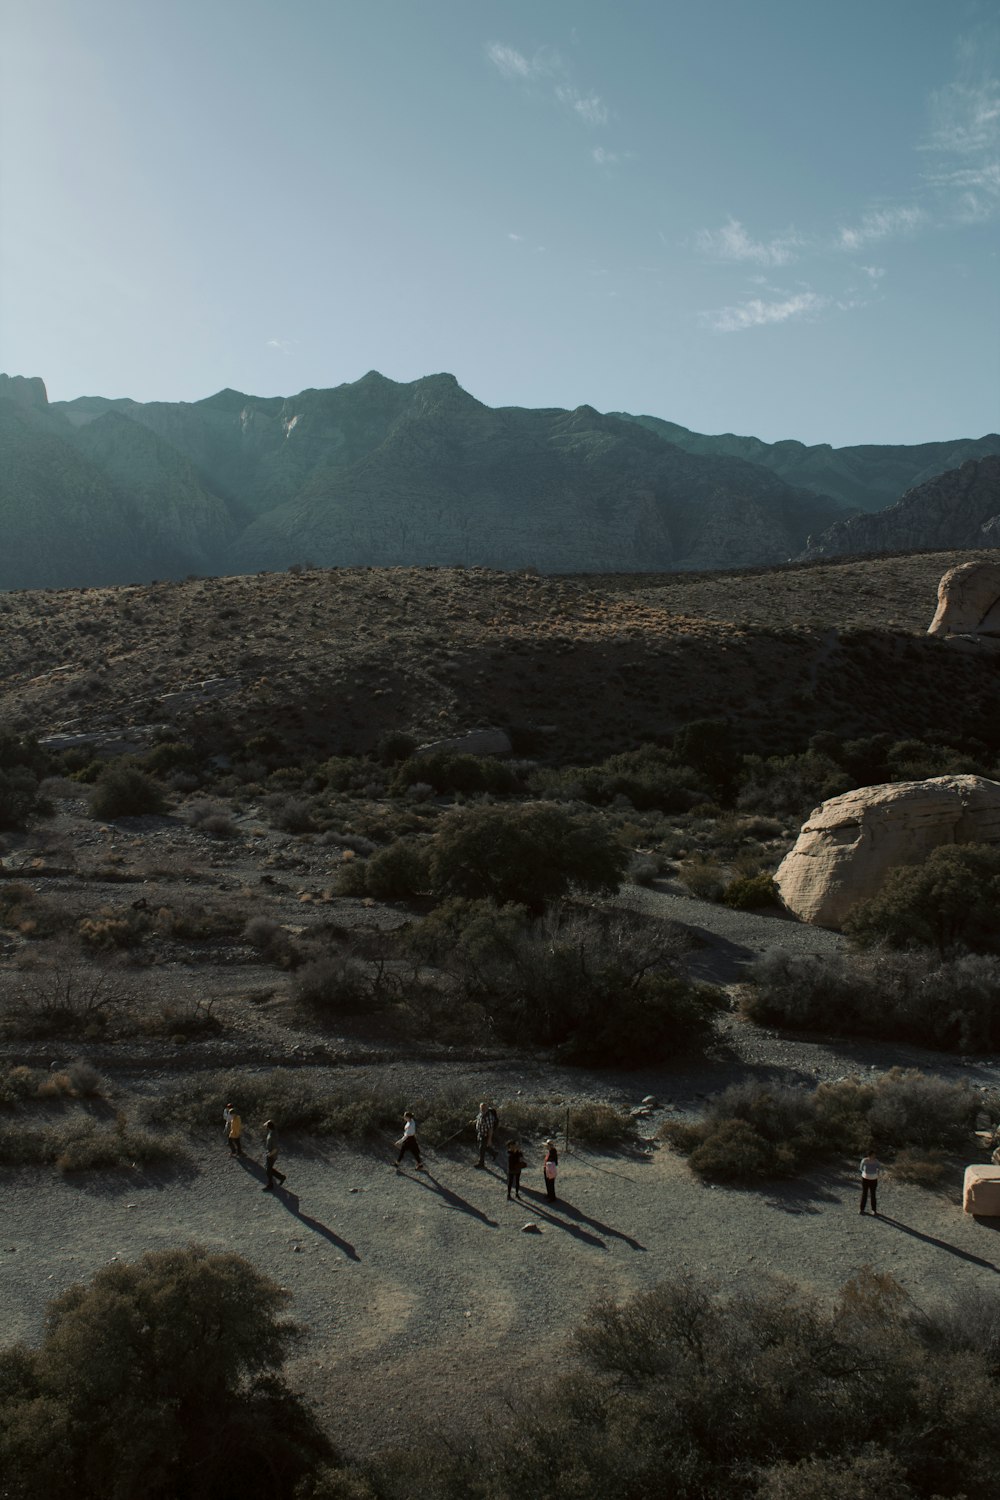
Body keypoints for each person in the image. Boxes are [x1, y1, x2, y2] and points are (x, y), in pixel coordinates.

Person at [474, 1101, 500, 1168]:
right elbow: (478, 1119)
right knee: (484, 1147)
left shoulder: (489, 1117)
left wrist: (489, 1140)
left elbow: (490, 1129)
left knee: (481, 1148)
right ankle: (494, 1153)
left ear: (487, 1108)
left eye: (484, 1108)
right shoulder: (481, 1113)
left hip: (485, 1135)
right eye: (481, 1108)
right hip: (480, 1133)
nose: (482, 1109)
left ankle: (481, 1163)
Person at [263, 1119, 286, 1190]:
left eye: (266, 1126)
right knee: (268, 1169)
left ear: (268, 1127)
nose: (265, 1127)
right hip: (269, 1153)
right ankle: (281, 1177)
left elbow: (275, 1148)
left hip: (272, 1155)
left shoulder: (273, 1135)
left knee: (268, 1170)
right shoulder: (271, 1132)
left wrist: (270, 1154)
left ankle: (270, 1185)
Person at [859, 1149, 880, 1214]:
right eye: (872, 1155)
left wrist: (876, 1174)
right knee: (864, 1194)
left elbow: (878, 1168)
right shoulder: (864, 1161)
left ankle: (874, 1210)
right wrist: (865, 1173)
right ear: (869, 1155)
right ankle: (861, 1209)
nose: (874, 1156)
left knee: (873, 1194)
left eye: (874, 1155)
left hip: (873, 1179)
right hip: (865, 1179)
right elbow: (861, 1168)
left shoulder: (876, 1161)